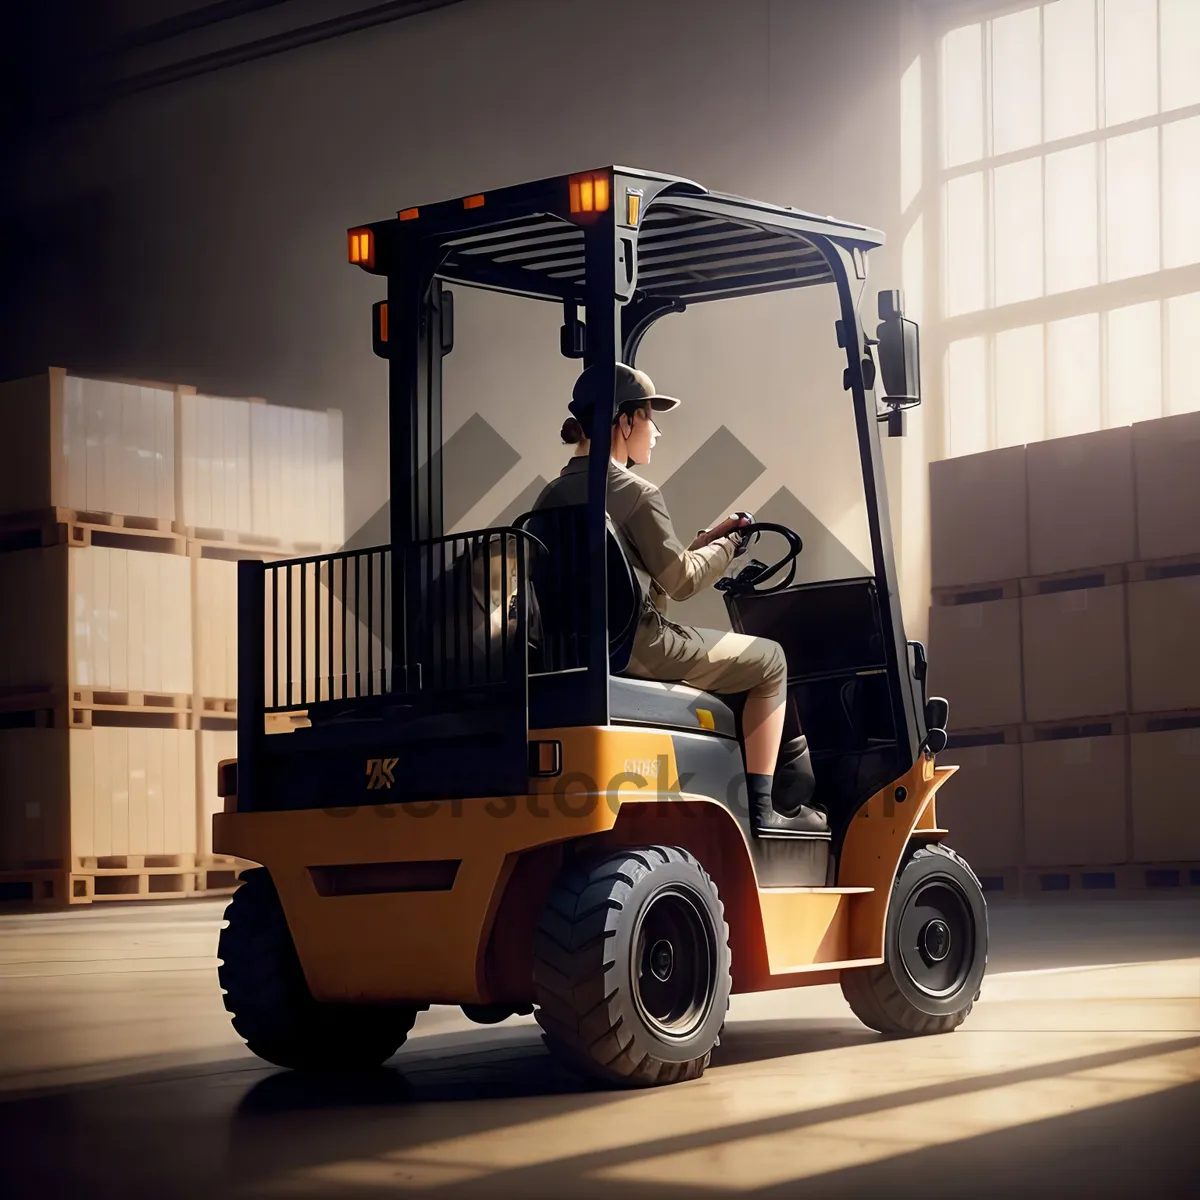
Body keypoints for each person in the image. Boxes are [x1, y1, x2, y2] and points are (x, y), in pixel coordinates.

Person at [534, 362, 826, 835]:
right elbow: (683, 584)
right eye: (650, 417)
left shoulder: (552, 494)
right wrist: (730, 546)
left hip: (582, 648)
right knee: (771, 659)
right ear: (624, 422)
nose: (656, 430)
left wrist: (706, 539)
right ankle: (766, 809)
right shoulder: (634, 492)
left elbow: (639, 571)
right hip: (642, 647)